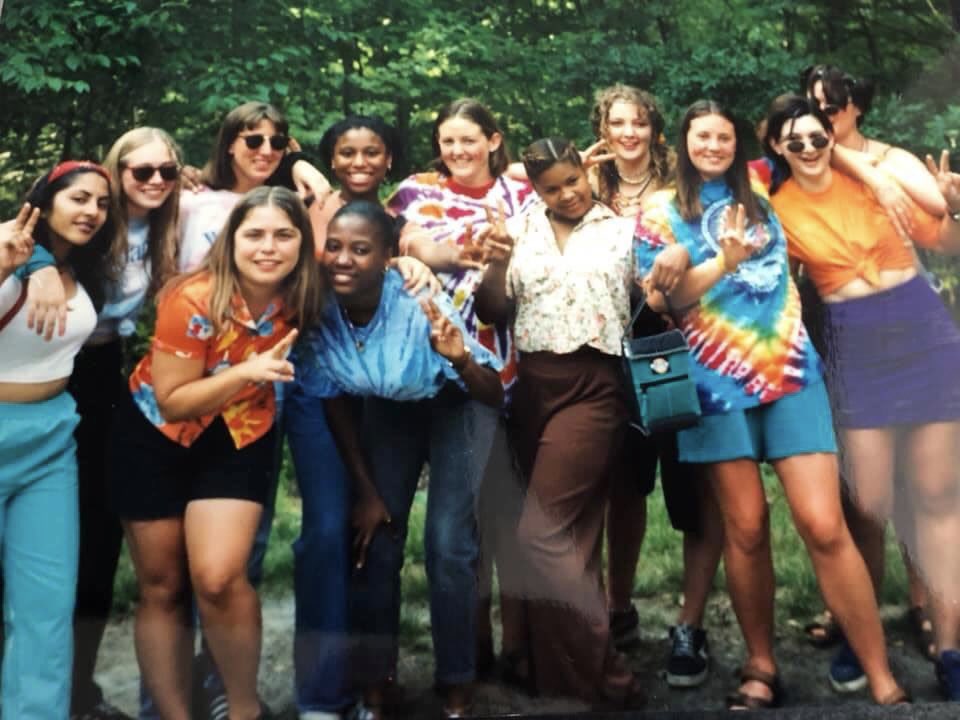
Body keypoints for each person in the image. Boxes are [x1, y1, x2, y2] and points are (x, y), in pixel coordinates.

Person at [635, 100, 907, 708]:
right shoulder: (658, 212)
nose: (712, 145)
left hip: (790, 371)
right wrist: (716, 262)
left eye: (723, 136)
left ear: (739, 142)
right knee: (748, 527)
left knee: (822, 522)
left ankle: (879, 670)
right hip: (713, 384)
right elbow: (666, 301)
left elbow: (829, 151)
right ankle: (760, 665)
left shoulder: (762, 182)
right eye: (700, 136)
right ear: (683, 142)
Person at [763, 94, 960, 700]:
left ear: (832, 137)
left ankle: (952, 650)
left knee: (937, 495)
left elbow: (945, 243)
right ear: (776, 147)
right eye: (793, 141)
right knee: (868, 504)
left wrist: (954, 208)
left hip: (922, 331)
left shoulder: (876, 180)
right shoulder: (778, 209)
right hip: (855, 346)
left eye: (816, 137)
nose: (808, 149)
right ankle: (861, 627)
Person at [109, 186, 324, 720]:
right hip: (157, 434)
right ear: (232, 241)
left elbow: (371, 247)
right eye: (254, 234)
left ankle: (245, 711)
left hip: (239, 433)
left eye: (283, 234)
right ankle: (176, 714)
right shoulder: (192, 296)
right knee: (162, 586)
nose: (268, 247)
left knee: (219, 577)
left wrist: (417, 266)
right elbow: (174, 400)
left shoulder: (303, 291)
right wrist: (247, 371)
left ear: (302, 242)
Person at [294, 201, 502, 719]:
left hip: (458, 403)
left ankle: (457, 686)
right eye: (335, 247)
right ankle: (378, 686)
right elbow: (335, 399)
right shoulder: (318, 308)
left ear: (389, 256)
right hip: (390, 409)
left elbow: (491, 391)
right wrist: (365, 491)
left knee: (448, 544)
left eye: (361, 250)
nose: (343, 259)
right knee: (375, 539)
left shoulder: (415, 299)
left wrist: (459, 357)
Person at [473, 137, 654, 706]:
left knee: (542, 535)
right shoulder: (519, 228)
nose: (566, 194)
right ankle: (556, 676)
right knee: (571, 540)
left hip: (594, 387)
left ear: (586, 171)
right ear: (535, 189)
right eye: (551, 188)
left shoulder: (623, 229)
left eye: (572, 181)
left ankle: (609, 674)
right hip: (532, 388)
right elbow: (492, 311)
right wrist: (497, 260)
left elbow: (657, 293)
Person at [280, 116, 432, 720]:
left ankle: (375, 680)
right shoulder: (310, 202)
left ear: (390, 159)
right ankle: (327, 688)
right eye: (347, 151)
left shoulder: (405, 205)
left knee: (371, 536)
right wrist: (296, 164)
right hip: (325, 384)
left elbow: (423, 245)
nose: (360, 160)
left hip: (389, 393)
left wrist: (416, 262)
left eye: (372, 151)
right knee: (328, 533)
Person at [799, 64, 947, 664]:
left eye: (831, 106)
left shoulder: (894, 160)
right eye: (812, 106)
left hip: (905, 325)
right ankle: (853, 612)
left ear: (856, 106)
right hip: (831, 330)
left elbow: (939, 218)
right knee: (860, 488)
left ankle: (923, 604)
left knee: (921, 480)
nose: (821, 118)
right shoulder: (800, 161)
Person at [386, 98, 536, 682]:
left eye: (468, 140)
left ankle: (521, 646)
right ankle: (471, 646)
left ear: (494, 139)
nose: (457, 152)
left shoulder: (523, 197)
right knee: (461, 517)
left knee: (507, 509)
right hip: (436, 365)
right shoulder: (415, 192)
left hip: (511, 366)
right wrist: (462, 251)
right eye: (447, 142)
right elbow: (418, 245)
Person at [589, 83, 722, 688]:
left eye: (639, 123)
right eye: (617, 122)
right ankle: (619, 607)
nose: (628, 133)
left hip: (678, 347)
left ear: (655, 130)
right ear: (603, 128)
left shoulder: (683, 186)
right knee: (624, 485)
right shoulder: (586, 186)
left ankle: (690, 623)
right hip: (607, 352)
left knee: (691, 485)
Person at [0, 161, 113, 719]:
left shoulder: (84, 266)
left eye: (101, 202)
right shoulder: (5, 244)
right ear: (45, 200)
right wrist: (23, 265)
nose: (92, 211)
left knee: (47, 606)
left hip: (51, 442)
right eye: (79, 199)